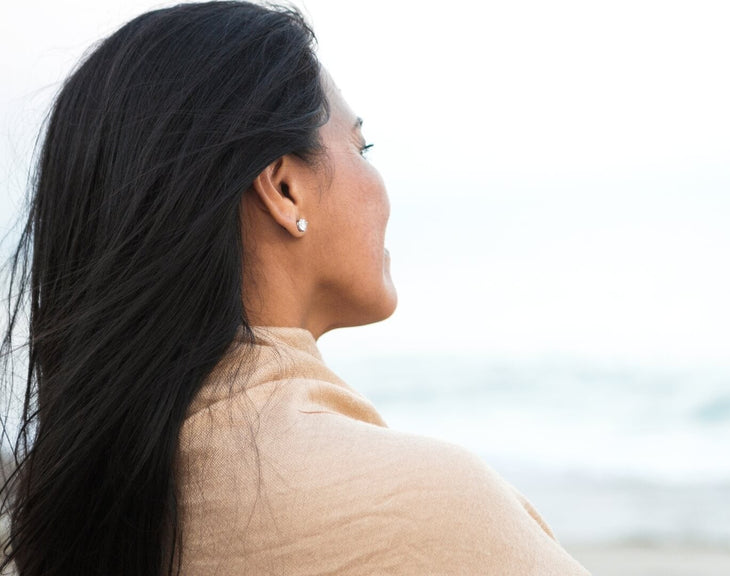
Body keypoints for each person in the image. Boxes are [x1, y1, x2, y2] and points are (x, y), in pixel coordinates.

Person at [0, 2, 590, 575]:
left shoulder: (65, 508)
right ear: (284, 189)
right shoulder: (432, 507)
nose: (379, 180)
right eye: (363, 147)